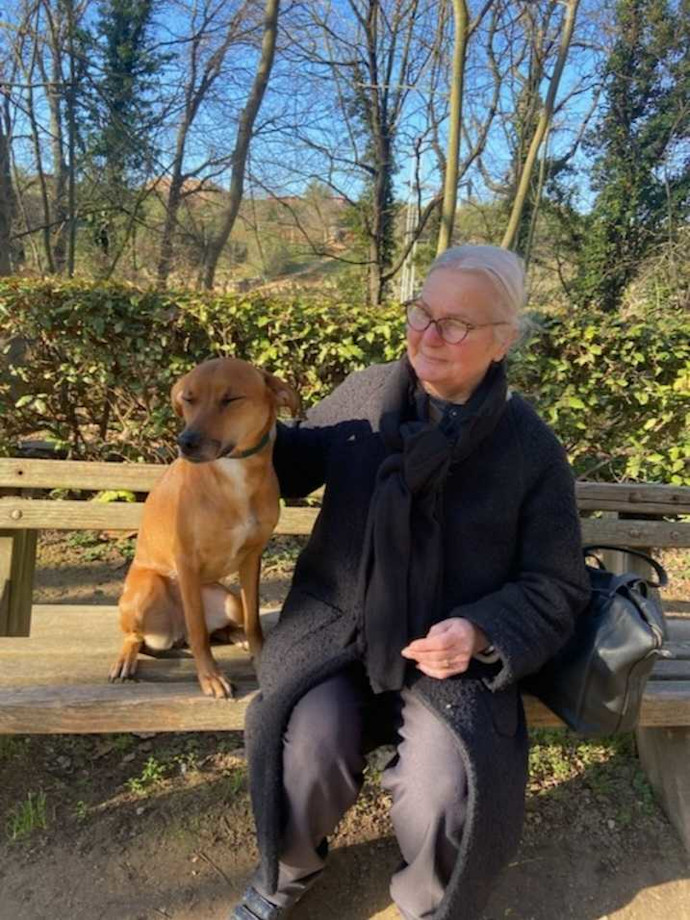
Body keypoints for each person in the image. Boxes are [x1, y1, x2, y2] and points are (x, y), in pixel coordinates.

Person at [231, 244, 591, 920]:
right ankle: (286, 871)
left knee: (444, 786)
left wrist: (479, 632)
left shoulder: (530, 448)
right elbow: (287, 464)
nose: (427, 335)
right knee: (307, 745)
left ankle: (428, 904)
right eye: (422, 312)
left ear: (503, 341)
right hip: (337, 633)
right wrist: (234, 422)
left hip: (449, 659)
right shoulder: (366, 396)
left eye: (455, 324)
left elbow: (557, 585)